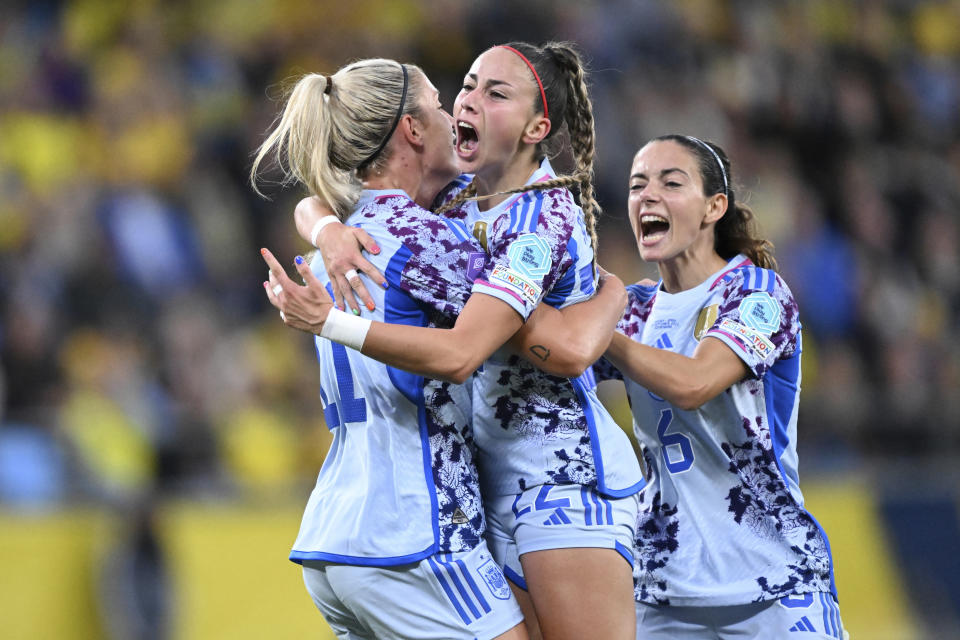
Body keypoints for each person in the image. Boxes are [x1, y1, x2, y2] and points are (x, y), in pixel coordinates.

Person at [267, 43, 644, 640]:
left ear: (536, 126)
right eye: (455, 94)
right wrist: (615, 293)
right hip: (417, 529)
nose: (461, 105)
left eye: (492, 93)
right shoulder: (436, 233)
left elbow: (318, 203)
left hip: (537, 484)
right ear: (412, 130)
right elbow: (545, 347)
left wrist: (326, 226)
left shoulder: (375, 231)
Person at [593, 134, 847, 639]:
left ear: (715, 206)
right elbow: (549, 354)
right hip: (665, 589)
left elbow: (695, 383)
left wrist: (600, 333)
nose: (648, 196)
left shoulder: (756, 291)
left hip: (775, 580)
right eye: (638, 185)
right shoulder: (633, 308)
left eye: (671, 182)